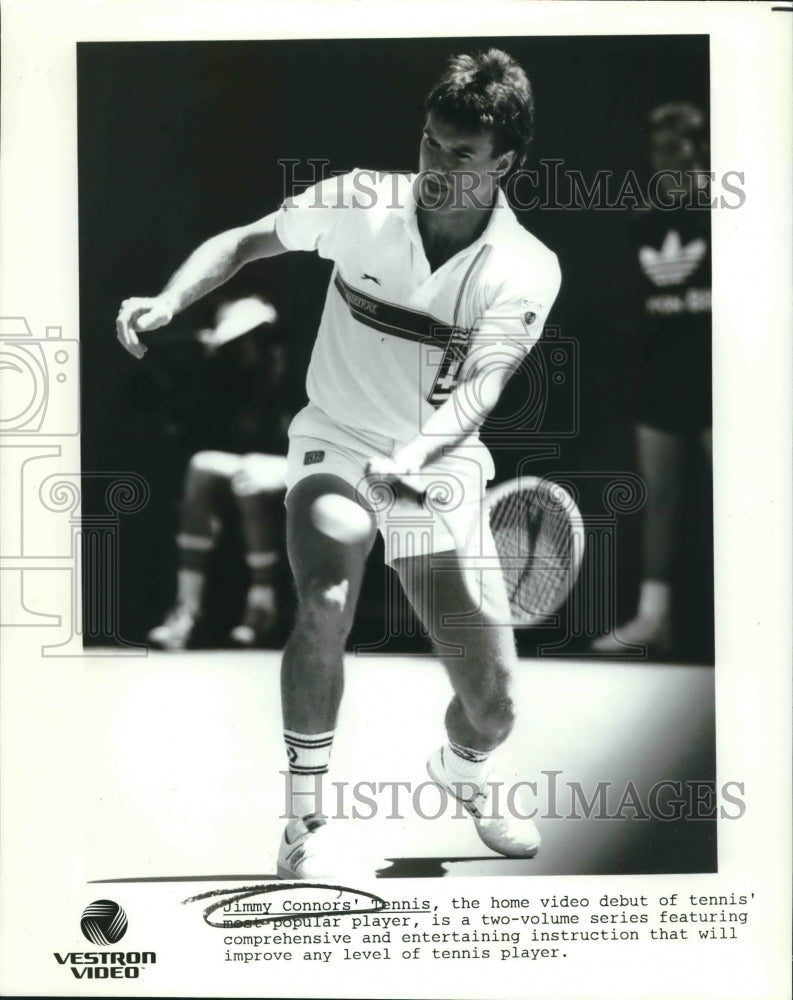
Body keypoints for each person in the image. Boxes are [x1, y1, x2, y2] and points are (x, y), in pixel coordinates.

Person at [116, 49, 561, 879]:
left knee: (493, 707)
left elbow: (483, 387)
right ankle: (304, 819)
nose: (435, 166)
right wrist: (171, 298)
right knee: (325, 589)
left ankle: (462, 771)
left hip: (438, 465)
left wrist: (421, 455)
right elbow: (247, 240)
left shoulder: (525, 267)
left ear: (504, 163)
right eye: (430, 143)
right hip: (339, 439)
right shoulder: (359, 198)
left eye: (460, 155)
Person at [592, 103, 711, 656]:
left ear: (701, 150)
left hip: (721, 379)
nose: (665, 159)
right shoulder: (641, 217)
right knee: (658, 498)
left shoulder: (726, 212)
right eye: (658, 149)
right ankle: (653, 617)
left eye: (678, 147)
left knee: (748, 497)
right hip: (662, 379)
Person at [146, 296, 289, 651]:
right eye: (239, 338)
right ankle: (186, 611)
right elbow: (150, 354)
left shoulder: (297, 368)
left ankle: (262, 606)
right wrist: (202, 340)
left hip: (307, 465)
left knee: (250, 476)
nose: (248, 346)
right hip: (246, 467)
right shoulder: (224, 377)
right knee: (203, 466)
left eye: (255, 336)